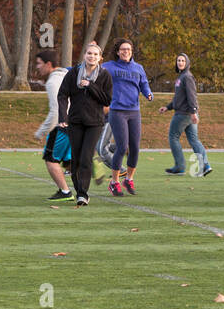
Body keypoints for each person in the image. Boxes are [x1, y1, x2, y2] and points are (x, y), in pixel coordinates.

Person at [57, 41, 113, 206]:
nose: (92, 56)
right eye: (89, 53)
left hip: (94, 122)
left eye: (95, 54)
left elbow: (107, 99)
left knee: (86, 157)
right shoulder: (74, 73)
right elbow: (62, 95)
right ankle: (79, 189)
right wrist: (63, 117)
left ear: (100, 58)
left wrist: (90, 86)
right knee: (76, 158)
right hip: (75, 121)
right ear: (84, 55)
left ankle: (83, 194)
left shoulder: (104, 75)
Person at [101, 38, 153, 196]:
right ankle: (114, 182)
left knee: (135, 148)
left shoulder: (138, 68)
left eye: (128, 50)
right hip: (117, 111)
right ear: (117, 51)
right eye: (123, 49)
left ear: (132, 52)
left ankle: (129, 179)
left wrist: (148, 93)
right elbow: (92, 71)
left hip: (134, 111)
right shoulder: (108, 67)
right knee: (122, 147)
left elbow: (144, 84)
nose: (126, 52)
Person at [159, 53, 212, 176]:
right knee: (194, 140)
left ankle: (180, 167)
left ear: (187, 63)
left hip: (184, 114)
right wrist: (167, 107)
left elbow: (192, 96)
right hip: (186, 113)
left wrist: (193, 112)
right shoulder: (181, 77)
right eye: (178, 60)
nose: (180, 62)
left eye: (183, 60)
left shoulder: (187, 77)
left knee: (173, 137)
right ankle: (205, 166)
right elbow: (179, 98)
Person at [33, 49, 73, 200]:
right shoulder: (67, 76)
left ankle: (65, 192)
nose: (37, 67)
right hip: (74, 123)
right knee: (67, 161)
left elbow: (56, 110)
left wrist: (41, 132)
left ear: (48, 64)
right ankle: (86, 165)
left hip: (62, 126)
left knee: (50, 159)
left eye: (39, 63)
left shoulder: (53, 81)